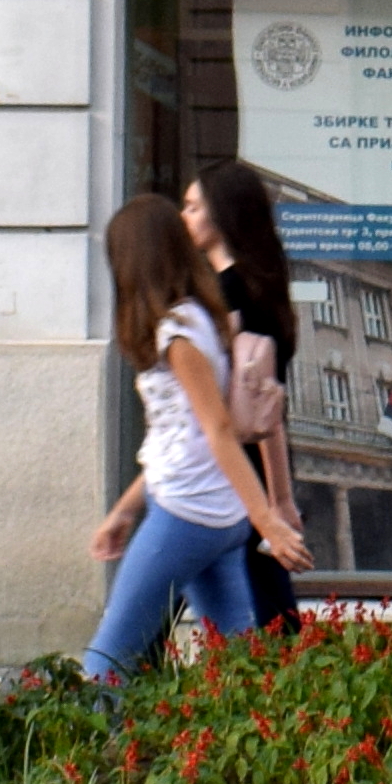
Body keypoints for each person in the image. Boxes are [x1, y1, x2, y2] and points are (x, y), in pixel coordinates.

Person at [84, 192, 306, 678]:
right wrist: (126, 510)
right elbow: (184, 435)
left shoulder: (177, 334)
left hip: (189, 509)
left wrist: (267, 520)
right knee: (242, 664)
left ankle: (95, 752)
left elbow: (217, 431)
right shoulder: (197, 318)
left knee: (108, 657)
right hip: (212, 511)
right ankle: (280, 746)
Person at [190, 160, 311, 632]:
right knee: (260, 593)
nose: (186, 217)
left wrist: (277, 500)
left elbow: (261, 405)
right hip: (241, 466)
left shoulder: (233, 294)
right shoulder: (253, 286)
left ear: (221, 218)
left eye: (194, 206)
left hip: (234, 467)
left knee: (261, 594)